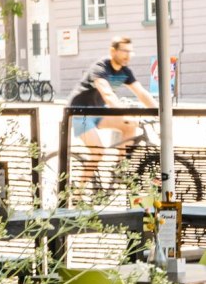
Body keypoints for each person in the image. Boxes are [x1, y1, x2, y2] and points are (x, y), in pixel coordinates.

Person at [66, 36, 160, 185]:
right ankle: (77, 192)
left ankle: (118, 169)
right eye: (124, 51)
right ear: (113, 51)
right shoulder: (100, 68)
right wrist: (126, 112)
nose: (127, 55)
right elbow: (108, 95)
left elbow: (142, 93)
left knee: (131, 124)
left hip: (98, 111)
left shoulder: (125, 72)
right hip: (80, 114)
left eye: (130, 51)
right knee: (98, 153)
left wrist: (160, 113)